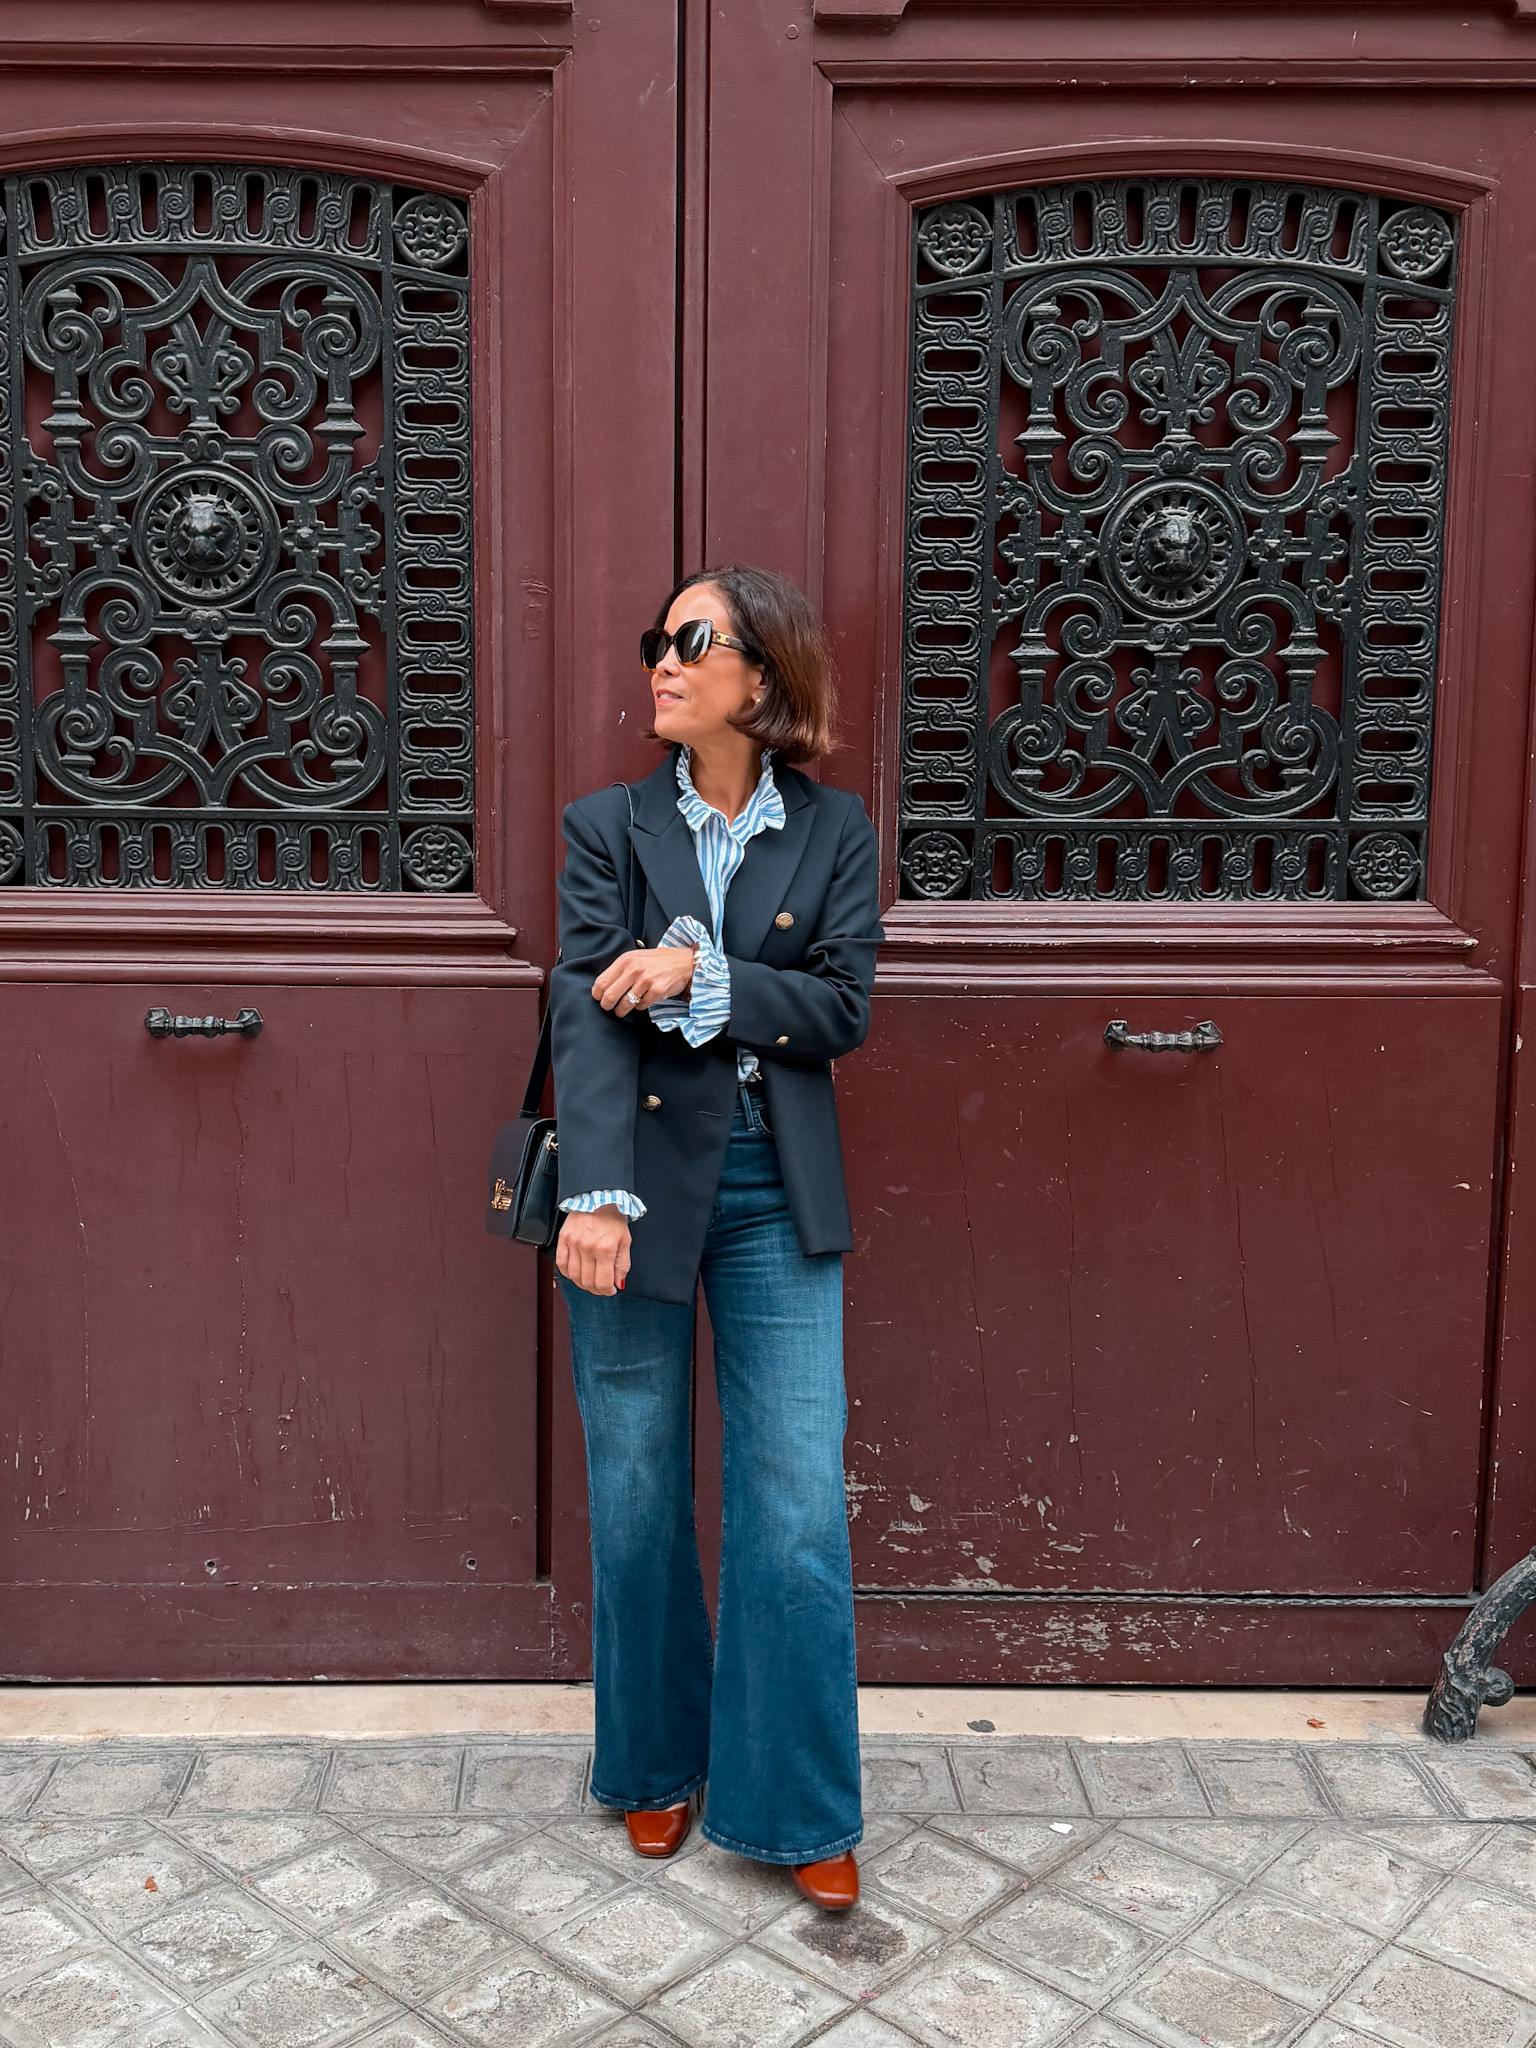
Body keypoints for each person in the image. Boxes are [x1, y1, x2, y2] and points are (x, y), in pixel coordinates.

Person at [550, 564, 882, 1911]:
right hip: (636, 1183)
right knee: (635, 1494)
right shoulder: (605, 825)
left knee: (795, 1503)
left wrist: (702, 970)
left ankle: (794, 1798)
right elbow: (579, 1004)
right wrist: (591, 1194)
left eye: (694, 642)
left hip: (775, 1187)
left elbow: (845, 1005)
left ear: (766, 677)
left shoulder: (837, 831)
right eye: (658, 642)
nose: (664, 663)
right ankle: (652, 1767)